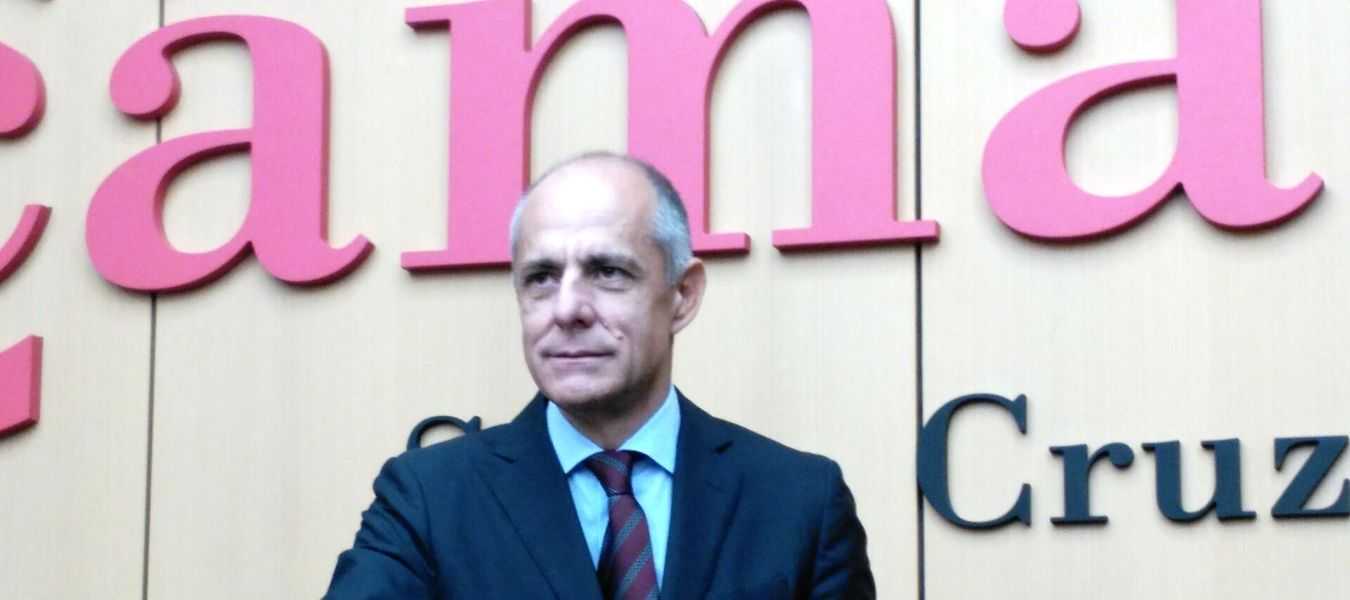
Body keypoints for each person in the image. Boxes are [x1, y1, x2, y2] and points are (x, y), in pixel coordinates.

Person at [325, 152, 874, 599]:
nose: (567, 309)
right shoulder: (427, 498)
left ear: (683, 295)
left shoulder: (799, 501)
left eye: (608, 272)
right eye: (541, 277)